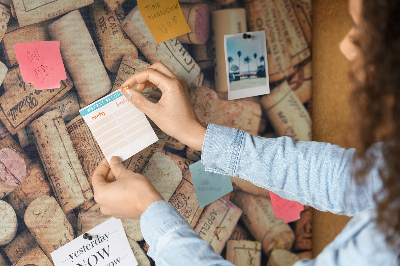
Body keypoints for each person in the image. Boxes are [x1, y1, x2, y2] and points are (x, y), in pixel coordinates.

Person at [91, 0, 400, 264]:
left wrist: (149, 211)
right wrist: (196, 134)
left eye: (365, 33)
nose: (346, 47)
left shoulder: (385, 247)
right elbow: (339, 177)